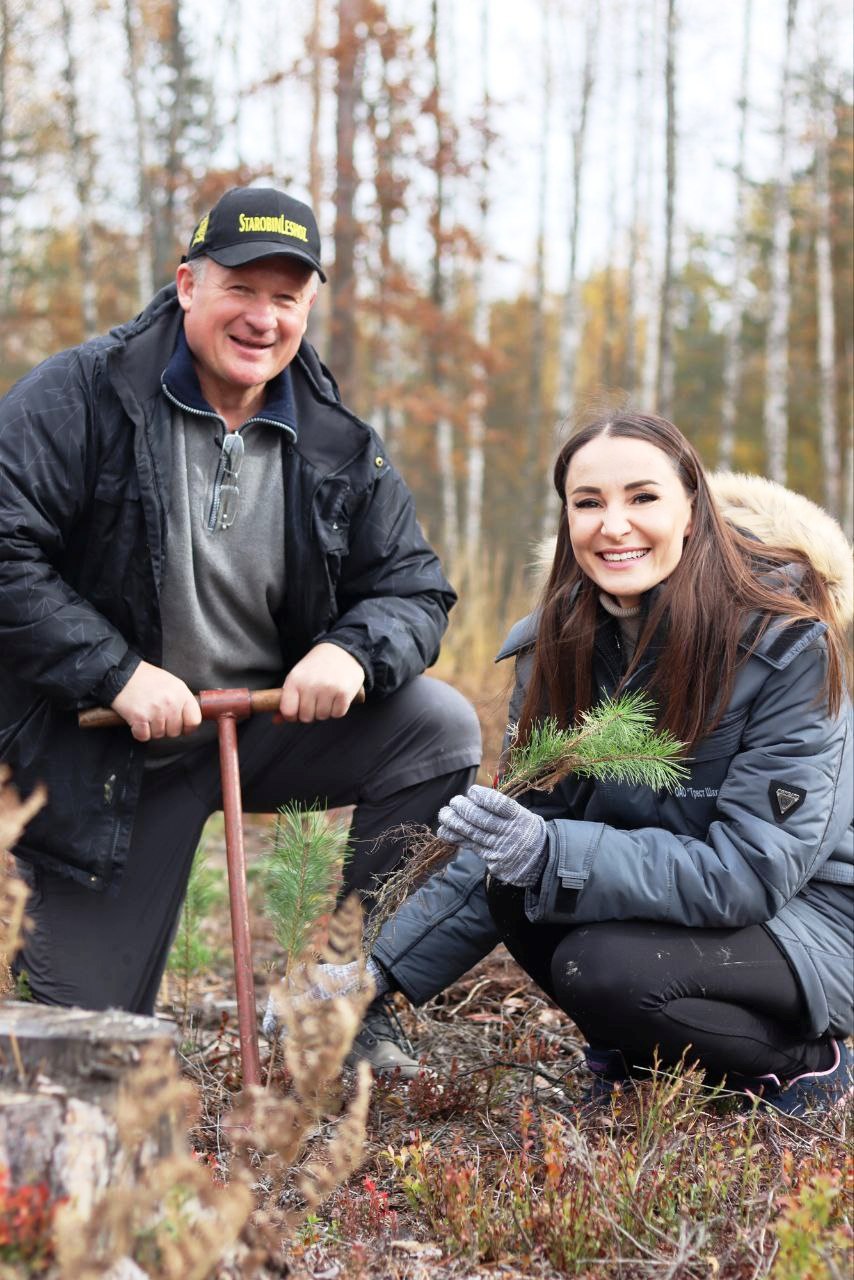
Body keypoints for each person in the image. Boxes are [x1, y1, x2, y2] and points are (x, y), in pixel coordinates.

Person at [0, 185, 481, 1067]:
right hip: (102, 752)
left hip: (258, 728)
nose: (264, 318)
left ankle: (342, 996)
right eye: (242, 289)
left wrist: (350, 649)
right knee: (76, 1053)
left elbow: (414, 588)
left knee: (439, 731)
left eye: (287, 297)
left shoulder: (335, 439)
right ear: (187, 284)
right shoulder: (79, 397)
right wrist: (113, 670)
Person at [361, 413, 853, 1113]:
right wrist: (377, 971)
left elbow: (752, 871)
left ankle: (808, 1067)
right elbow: (521, 835)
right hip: (688, 912)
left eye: (642, 498)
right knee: (514, 887)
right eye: (588, 502)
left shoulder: (788, 651)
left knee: (602, 968)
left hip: (809, 922)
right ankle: (643, 1055)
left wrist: (552, 850)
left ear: (692, 511)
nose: (613, 525)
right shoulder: (558, 648)